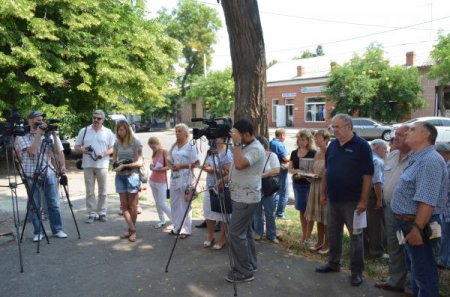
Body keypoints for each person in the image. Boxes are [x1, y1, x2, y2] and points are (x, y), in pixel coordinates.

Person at [315, 114, 374, 287]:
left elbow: (368, 175)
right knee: (333, 233)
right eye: (333, 127)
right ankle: (333, 263)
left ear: (349, 127)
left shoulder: (361, 146)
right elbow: (327, 170)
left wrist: (363, 201)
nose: (334, 130)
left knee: (356, 237)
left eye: (337, 127)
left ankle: (356, 272)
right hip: (333, 199)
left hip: (353, 201)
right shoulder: (332, 145)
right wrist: (323, 192)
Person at [391, 122, 448, 297]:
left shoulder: (429, 160)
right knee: (415, 270)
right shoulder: (418, 157)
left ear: (425, 135)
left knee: (424, 273)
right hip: (407, 223)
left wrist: (416, 229)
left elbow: (427, 201)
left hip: (418, 225)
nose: (407, 132)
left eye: (413, 129)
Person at [15, 111, 67, 241]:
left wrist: (54, 136)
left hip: (48, 172)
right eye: (36, 120)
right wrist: (39, 134)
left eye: (41, 120)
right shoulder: (22, 136)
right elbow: (32, 151)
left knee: (53, 203)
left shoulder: (47, 135)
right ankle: (38, 232)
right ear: (29, 121)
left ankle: (57, 229)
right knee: (35, 206)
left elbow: (56, 151)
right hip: (30, 174)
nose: (39, 122)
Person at [374, 125, 413, 296]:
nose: (395, 137)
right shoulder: (392, 155)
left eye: (401, 135)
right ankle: (395, 281)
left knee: (412, 250)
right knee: (394, 247)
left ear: (411, 137)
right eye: (395, 134)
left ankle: (412, 286)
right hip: (390, 209)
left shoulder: (417, 158)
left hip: (410, 214)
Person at [226, 119, 265, 283]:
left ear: (247, 135)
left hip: (246, 198)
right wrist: (226, 179)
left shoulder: (256, 148)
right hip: (241, 196)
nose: (234, 137)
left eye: (237, 134)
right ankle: (250, 264)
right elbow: (236, 167)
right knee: (246, 233)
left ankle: (244, 272)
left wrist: (235, 144)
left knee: (235, 234)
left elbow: (240, 164)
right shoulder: (245, 146)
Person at [74, 110, 115, 223]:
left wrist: (103, 154)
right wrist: (83, 150)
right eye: (94, 118)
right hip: (87, 164)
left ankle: (102, 212)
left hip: (102, 164)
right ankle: (91, 213)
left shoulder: (107, 132)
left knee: (103, 190)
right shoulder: (84, 130)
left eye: (98, 118)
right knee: (89, 190)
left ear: (103, 120)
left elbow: (113, 148)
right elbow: (76, 147)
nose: (96, 120)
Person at [167, 123, 200, 239]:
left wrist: (181, 166)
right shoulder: (174, 146)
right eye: (176, 131)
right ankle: (177, 227)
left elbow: (196, 163)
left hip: (186, 178)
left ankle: (186, 229)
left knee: (185, 203)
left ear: (186, 133)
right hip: (174, 178)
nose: (177, 133)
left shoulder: (191, 146)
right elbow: (169, 159)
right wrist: (171, 165)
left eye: (180, 131)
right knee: (174, 203)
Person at [112, 120, 143, 242]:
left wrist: (125, 165)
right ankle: (132, 229)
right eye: (118, 130)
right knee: (123, 205)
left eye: (122, 129)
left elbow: (140, 162)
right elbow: (114, 160)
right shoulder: (116, 143)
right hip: (120, 176)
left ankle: (131, 230)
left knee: (133, 206)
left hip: (132, 176)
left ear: (127, 130)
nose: (120, 132)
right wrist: (115, 165)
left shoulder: (136, 143)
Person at [201, 137, 233, 250]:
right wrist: (206, 167)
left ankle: (222, 239)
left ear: (223, 138)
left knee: (223, 215)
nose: (213, 139)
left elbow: (228, 172)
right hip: (210, 186)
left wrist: (211, 169)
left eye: (216, 137)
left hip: (223, 187)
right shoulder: (211, 151)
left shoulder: (227, 153)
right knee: (208, 212)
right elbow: (205, 164)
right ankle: (210, 236)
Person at [288, 129, 316, 243]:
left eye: (303, 140)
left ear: (308, 140)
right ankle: (304, 235)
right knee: (301, 209)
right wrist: (299, 171)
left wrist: (304, 172)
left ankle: (308, 236)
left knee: (309, 211)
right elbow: (290, 169)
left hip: (309, 184)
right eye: (299, 139)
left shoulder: (313, 153)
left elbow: (315, 169)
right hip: (297, 184)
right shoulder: (294, 153)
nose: (301, 142)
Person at [305, 130, 330, 254]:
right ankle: (319, 241)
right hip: (315, 186)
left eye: (319, 138)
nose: (317, 141)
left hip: (324, 187)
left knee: (326, 217)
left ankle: (327, 243)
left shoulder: (330, 152)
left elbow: (330, 171)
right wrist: (309, 175)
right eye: (316, 139)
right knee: (318, 217)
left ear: (326, 139)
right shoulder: (317, 153)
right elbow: (313, 170)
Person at [254, 136, 280, 243]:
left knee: (269, 212)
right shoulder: (253, 157)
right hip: (255, 188)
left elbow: (276, 170)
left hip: (268, 189)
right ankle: (258, 233)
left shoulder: (271, 155)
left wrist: (262, 175)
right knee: (257, 212)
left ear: (264, 145)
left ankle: (271, 235)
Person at [364, 139, 388, 258]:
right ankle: (377, 251)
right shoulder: (377, 161)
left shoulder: (365, 158)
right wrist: (379, 199)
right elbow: (377, 181)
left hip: (363, 193)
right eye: (384, 148)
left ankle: (366, 247)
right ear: (377, 148)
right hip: (373, 194)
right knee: (377, 224)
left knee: (365, 222)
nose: (386, 151)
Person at [148, 137, 171, 229]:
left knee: (162, 203)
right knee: (157, 203)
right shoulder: (155, 152)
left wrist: (159, 169)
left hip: (162, 181)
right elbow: (152, 163)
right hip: (153, 180)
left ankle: (175, 220)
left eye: (153, 147)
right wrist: (151, 166)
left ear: (158, 144)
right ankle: (162, 220)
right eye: (151, 148)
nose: (152, 149)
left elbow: (169, 166)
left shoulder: (164, 152)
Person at [269, 128, 290, 219]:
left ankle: (273, 210)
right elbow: (286, 158)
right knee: (284, 192)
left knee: (276, 191)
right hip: (281, 170)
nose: (285, 138)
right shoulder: (279, 144)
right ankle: (280, 213)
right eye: (285, 135)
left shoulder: (271, 142)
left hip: (272, 169)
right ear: (282, 135)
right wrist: (290, 155)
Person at [436, 142, 450, 271]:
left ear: (445, 153)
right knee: (444, 235)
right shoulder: (444, 165)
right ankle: (444, 260)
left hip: (447, 207)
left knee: (446, 235)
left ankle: (445, 260)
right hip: (444, 208)